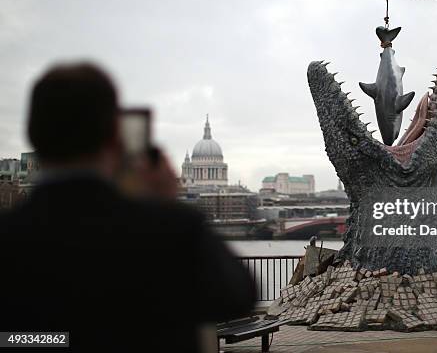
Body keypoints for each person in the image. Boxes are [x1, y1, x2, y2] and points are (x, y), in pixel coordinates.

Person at [0, 62, 255, 352]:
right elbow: (237, 295)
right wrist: (167, 205)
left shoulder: (8, 237)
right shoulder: (168, 228)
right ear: (114, 136)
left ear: (33, 134)